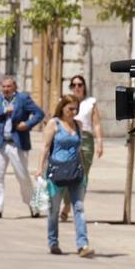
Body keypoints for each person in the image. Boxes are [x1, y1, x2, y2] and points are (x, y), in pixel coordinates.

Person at [36, 95, 93, 257]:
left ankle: (83, 245)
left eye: (76, 109)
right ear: (62, 108)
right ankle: (53, 242)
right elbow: (45, 147)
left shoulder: (78, 125)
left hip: (75, 172)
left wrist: (84, 172)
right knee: (54, 209)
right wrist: (40, 168)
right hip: (56, 172)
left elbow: (80, 149)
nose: (73, 112)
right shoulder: (54, 124)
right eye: (70, 109)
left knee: (79, 208)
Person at [0, 77, 45, 218]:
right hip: (0, 143)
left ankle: (34, 206)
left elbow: (39, 113)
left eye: (9, 86)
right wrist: (3, 110)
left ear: (15, 87)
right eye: (3, 86)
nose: (6, 89)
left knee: (23, 177)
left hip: (17, 144)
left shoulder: (23, 99)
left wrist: (27, 124)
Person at [62, 75, 104, 221]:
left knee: (82, 176)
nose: (77, 87)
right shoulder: (65, 101)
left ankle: (75, 205)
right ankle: (67, 204)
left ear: (84, 86)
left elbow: (96, 123)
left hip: (86, 140)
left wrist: (99, 142)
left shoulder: (90, 102)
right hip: (69, 138)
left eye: (80, 84)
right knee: (68, 174)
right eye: (74, 85)